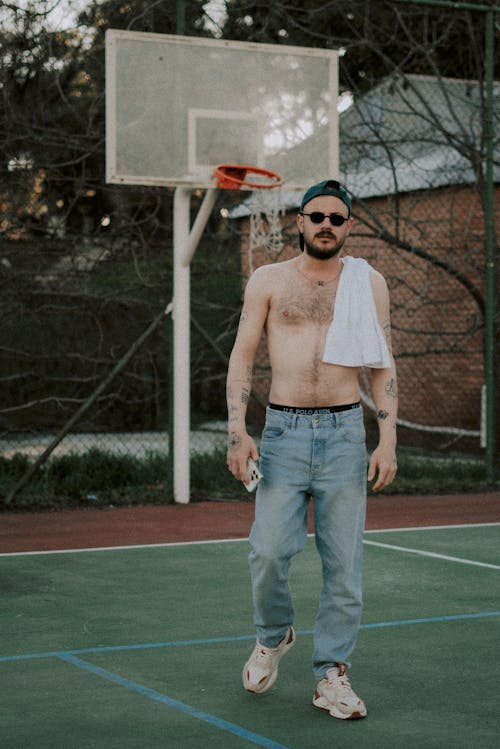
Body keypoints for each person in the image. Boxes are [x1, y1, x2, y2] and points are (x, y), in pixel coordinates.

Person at [226, 179, 398, 720]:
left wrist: (387, 438)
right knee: (269, 551)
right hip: (283, 432)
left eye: (337, 218)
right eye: (316, 215)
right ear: (299, 222)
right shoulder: (269, 279)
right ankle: (274, 636)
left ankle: (331, 674)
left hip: (347, 432)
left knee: (343, 564)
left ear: (349, 227)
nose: (326, 224)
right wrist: (237, 430)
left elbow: (382, 363)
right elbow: (242, 354)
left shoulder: (367, 283)